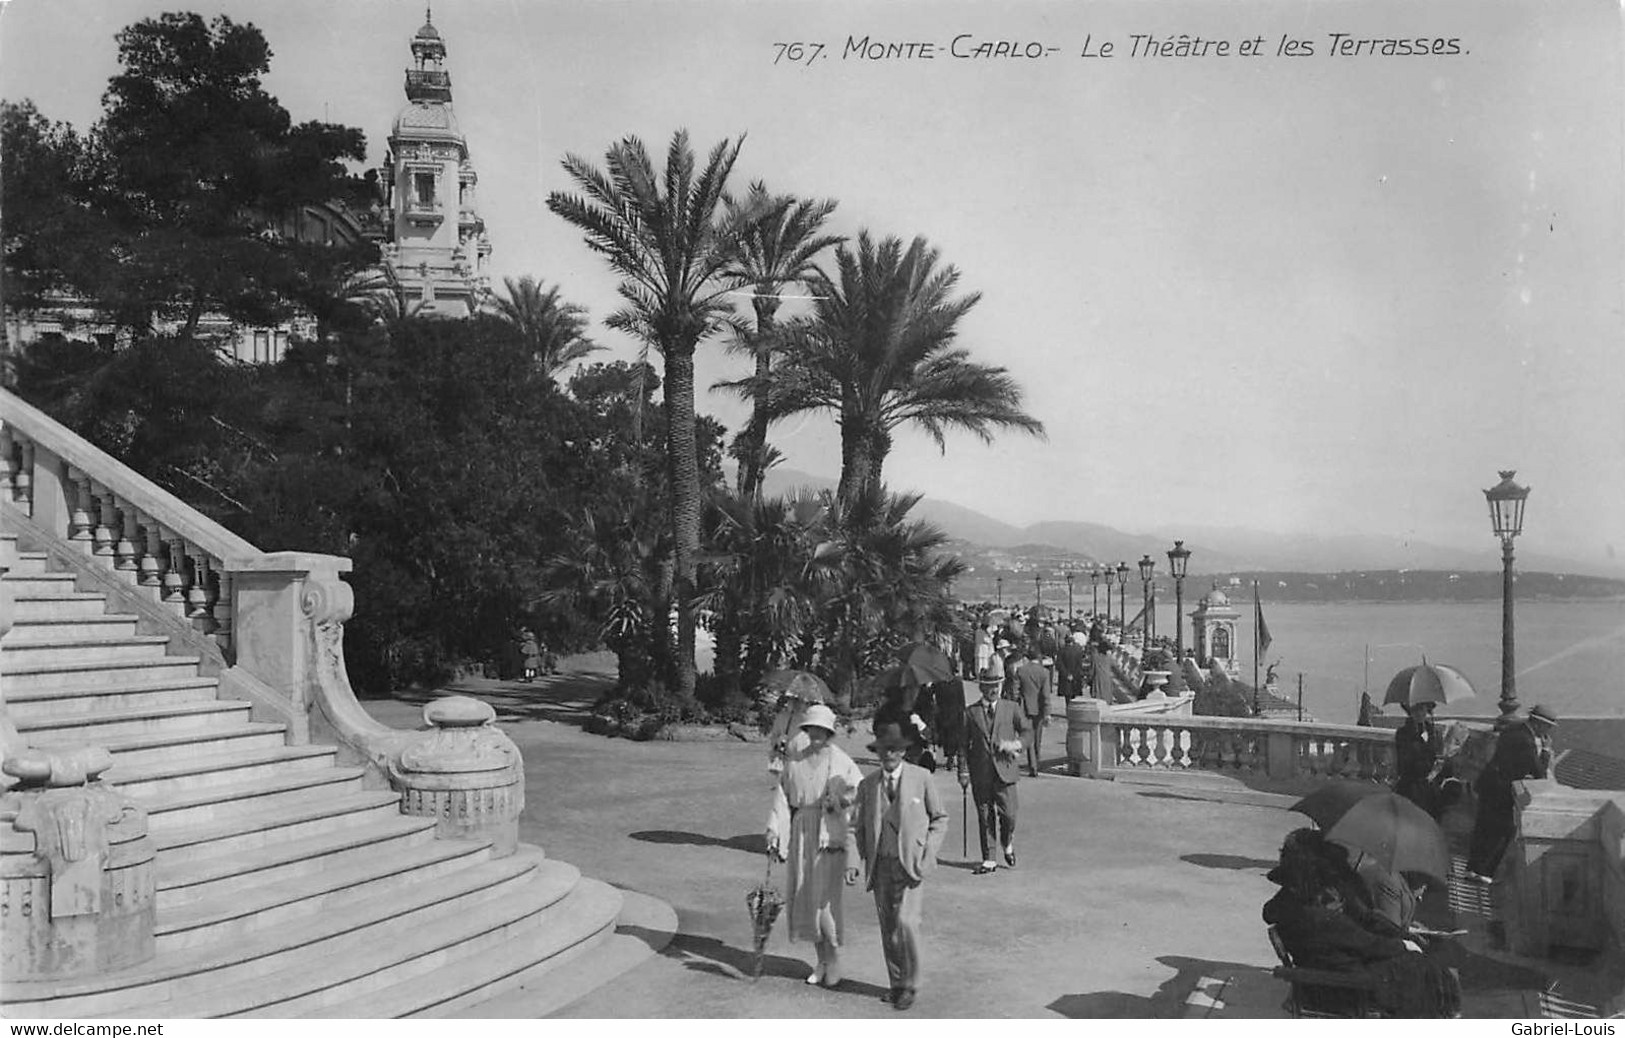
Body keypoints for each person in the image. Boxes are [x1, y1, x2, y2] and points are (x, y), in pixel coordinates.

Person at [1263, 828, 1459, 1017]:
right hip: (1345, 988)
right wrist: (1403, 945)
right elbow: (1366, 943)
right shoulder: (1316, 916)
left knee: (1427, 967)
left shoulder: (1298, 899)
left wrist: (1404, 938)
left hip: (1343, 973)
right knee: (1424, 971)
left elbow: (1364, 921)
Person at [845, 722, 949, 1011]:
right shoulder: (868, 785)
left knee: (907, 922)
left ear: (904, 751)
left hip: (911, 865)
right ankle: (897, 983)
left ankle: (912, 983)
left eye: (894, 748)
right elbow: (855, 828)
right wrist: (854, 862)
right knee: (889, 928)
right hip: (881, 866)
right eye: (883, 749)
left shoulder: (921, 778)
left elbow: (940, 818)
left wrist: (928, 854)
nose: (888, 754)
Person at [766, 704, 864, 987]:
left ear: (830, 732)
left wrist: (841, 802)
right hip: (802, 831)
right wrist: (775, 831)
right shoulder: (794, 761)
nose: (816, 734)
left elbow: (859, 793)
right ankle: (820, 960)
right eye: (812, 729)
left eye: (822, 730)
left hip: (829, 835)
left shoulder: (841, 761)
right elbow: (783, 798)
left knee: (824, 904)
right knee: (806, 898)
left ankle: (833, 959)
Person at [1465, 704, 1558, 883]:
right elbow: (1539, 773)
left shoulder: (1514, 730)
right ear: (1539, 724)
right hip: (1501, 791)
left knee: (1483, 829)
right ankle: (1485, 873)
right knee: (1503, 832)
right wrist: (1545, 751)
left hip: (1489, 785)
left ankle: (1473, 869)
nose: (1548, 732)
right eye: (1548, 728)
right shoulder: (1526, 741)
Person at [957, 673, 1030, 875]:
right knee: (984, 814)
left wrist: (1016, 744)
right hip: (981, 771)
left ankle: (1007, 842)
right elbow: (963, 745)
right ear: (981, 688)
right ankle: (989, 858)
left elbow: (1027, 732)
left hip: (1005, 770)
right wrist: (962, 771)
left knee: (1009, 814)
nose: (994, 689)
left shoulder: (1011, 708)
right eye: (989, 686)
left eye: (997, 685)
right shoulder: (970, 713)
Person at [1393, 701, 1446, 817]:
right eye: (1415, 710)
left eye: (1422, 709)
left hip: (1431, 789)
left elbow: (1439, 757)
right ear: (1410, 712)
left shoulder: (1434, 732)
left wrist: (1436, 768)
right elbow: (1403, 764)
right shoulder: (1403, 733)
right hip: (1410, 788)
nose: (1419, 713)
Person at [1011, 647, 1052, 777]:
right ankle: (1036, 763)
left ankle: (1032, 764)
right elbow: (1046, 695)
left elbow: (1014, 691)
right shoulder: (1044, 672)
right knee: (1037, 737)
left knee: (1028, 736)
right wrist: (1047, 713)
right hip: (1039, 709)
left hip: (1024, 708)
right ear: (1039, 658)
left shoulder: (1021, 671)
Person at [1056, 630, 1088, 701]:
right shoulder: (1078, 651)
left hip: (1065, 676)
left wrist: (1067, 674)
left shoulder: (1061, 651)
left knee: (1067, 697)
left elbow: (1059, 664)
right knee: (1074, 696)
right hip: (1075, 677)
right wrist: (1074, 674)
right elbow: (1079, 665)